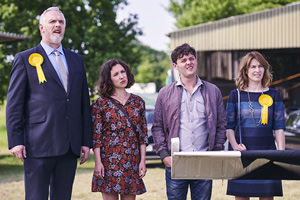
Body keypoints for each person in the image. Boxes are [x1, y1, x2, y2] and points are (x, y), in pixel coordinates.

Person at [6, 7, 92, 200]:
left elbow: (83, 104)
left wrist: (86, 141)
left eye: (61, 22)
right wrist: (16, 140)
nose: (57, 25)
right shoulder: (25, 59)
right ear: (41, 28)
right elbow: (14, 104)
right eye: (52, 22)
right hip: (37, 145)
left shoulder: (77, 60)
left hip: (70, 145)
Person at [152, 43, 227, 200]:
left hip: (204, 161)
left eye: (191, 58)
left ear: (196, 61)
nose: (188, 62)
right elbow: (157, 127)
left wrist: (216, 149)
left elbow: (221, 124)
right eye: (183, 60)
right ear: (175, 66)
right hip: (176, 161)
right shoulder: (165, 93)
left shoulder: (213, 91)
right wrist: (164, 155)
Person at [226, 51, 285, 200]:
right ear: (246, 70)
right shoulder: (236, 95)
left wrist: (281, 154)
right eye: (253, 67)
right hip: (242, 156)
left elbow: (279, 127)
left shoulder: (274, 95)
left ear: (265, 69)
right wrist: (234, 145)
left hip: (268, 156)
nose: (257, 70)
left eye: (260, 66)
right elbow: (229, 127)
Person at [91, 59, 148, 200]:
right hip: (108, 162)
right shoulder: (100, 103)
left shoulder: (138, 102)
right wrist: (98, 163)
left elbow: (143, 134)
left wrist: (142, 161)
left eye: (123, 72)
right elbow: (96, 136)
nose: (121, 76)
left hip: (131, 160)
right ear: (108, 79)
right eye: (115, 74)